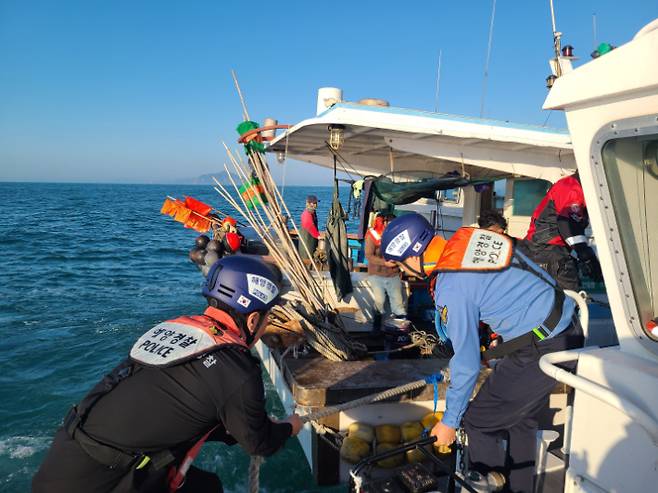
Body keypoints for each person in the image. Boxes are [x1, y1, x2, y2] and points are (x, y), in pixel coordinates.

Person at [33, 255, 302, 493]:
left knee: (206, 487)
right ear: (253, 320)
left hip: (64, 458)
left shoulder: (172, 329)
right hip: (108, 480)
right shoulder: (238, 369)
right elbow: (260, 444)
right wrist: (289, 426)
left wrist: (241, 422)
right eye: (268, 317)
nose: (267, 324)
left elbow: (176, 399)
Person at [381, 213, 583, 492]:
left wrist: (450, 423)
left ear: (414, 256)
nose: (404, 272)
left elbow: (466, 363)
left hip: (543, 346)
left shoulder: (452, 285)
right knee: (520, 419)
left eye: (402, 264)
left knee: (477, 422)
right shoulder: (468, 241)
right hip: (564, 329)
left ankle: (487, 483)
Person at [522, 172, 603, 291]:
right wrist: (587, 256)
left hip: (546, 249)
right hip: (548, 250)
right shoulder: (572, 188)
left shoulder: (571, 186)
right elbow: (567, 223)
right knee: (568, 299)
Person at [364, 213, 407, 330]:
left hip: (393, 273)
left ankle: (399, 329)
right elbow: (368, 255)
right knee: (379, 300)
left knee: (398, 301)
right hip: (377, 274)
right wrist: (384, 263)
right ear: (383, 222)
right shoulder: (372, 236)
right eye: (389, 222)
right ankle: (376, 328)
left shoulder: (397, 236)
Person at [298, 195, 320, 261]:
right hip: (306, 243)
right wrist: (318, 236)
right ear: (308, 203)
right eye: (314, 203)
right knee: (306, 258)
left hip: (311, 241)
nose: (315, 205)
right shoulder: (307, 214)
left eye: (316, 203)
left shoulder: (312, 213)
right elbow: (309, 225)